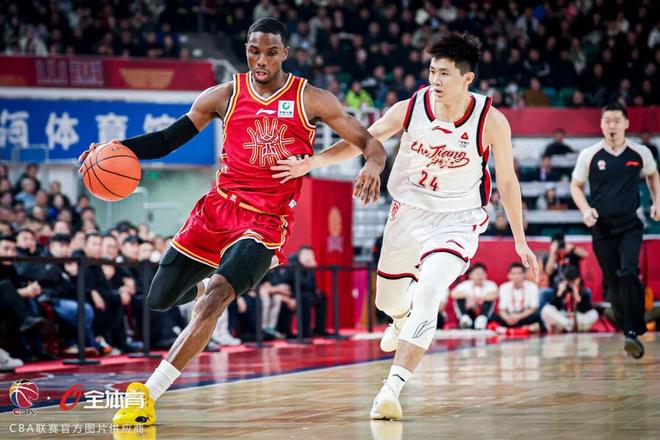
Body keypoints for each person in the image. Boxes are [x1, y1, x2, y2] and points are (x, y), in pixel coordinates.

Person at [78, 18, 386, 427]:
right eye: (255, 52)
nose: (262, 60)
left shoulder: (311, 98)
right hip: (217, 209)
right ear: (246, 51)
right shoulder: (224, 95)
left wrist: (372, 165)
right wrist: (114, 148)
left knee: (216, 298)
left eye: (271, 53)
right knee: (159, 299)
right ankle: (207, 283)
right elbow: (168, 140)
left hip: (266, 220)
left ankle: (146, 396)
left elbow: (370, 142)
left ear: (285, 53)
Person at [274, 32, 538, 420]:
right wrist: (313, 162)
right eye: (432, 71)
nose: (436, 80)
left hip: (458, 219)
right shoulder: (410, 108)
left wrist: (520, 240)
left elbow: (508, 182)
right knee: (388, 301)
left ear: (467, 79)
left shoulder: (491, 120)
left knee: (429, 290)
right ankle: (399, 320)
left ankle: (391, 389)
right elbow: (364, 140)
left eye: (445, 73)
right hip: (409, 212)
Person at [570, 102, 660, 359]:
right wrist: (585, 210)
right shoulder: (589, 155)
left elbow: (653, 175)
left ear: (626, 124)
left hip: (630, 225)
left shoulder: (640, 152)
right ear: (601, 124)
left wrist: (657, 201)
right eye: (607, 120)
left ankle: (632, 332)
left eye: (617, 120)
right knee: (613, 283)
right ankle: (629, 326)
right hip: (602, 229)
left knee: (628, 271)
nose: (612, 125)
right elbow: (576, 186)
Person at [540, 266, 598, 333]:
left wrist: (577, 296)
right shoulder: (560, 288)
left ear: (578, 279)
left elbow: (587, 310)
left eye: (573, 281)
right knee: (546, 310)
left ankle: (566, 326)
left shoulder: (585, 291)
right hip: (563, 316)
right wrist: (559, 294)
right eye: (568, 281)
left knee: (594, 313)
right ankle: (569, 326)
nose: (570, 284)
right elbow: (553, 307)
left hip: (577, 317)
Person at [490, 262, 541, 332]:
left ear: (524, 274)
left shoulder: (532, 286)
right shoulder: (504, 287)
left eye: (520, 273)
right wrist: (507, 318)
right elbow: (502, 310)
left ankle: (507, 330)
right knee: (493, 317)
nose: (517, 276)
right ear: (509, 275)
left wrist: (518, 316)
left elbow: (533, 308)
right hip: (509, 316)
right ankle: (523, 329)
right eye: (514, 274)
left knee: (537, 316)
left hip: (524, 315)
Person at [450, 263, 498, 330]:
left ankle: (481, 320)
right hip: (469, 312)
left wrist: (477, 300)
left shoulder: (491, 284)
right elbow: (453, 294)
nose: (480, 276)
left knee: (488, 301)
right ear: (470, 275)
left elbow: (495, 295)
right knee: (459, 299)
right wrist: (468, 296)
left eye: (482, 273)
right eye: (477, 274)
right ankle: (465, 319)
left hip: (483, 312)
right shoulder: (465, 285)